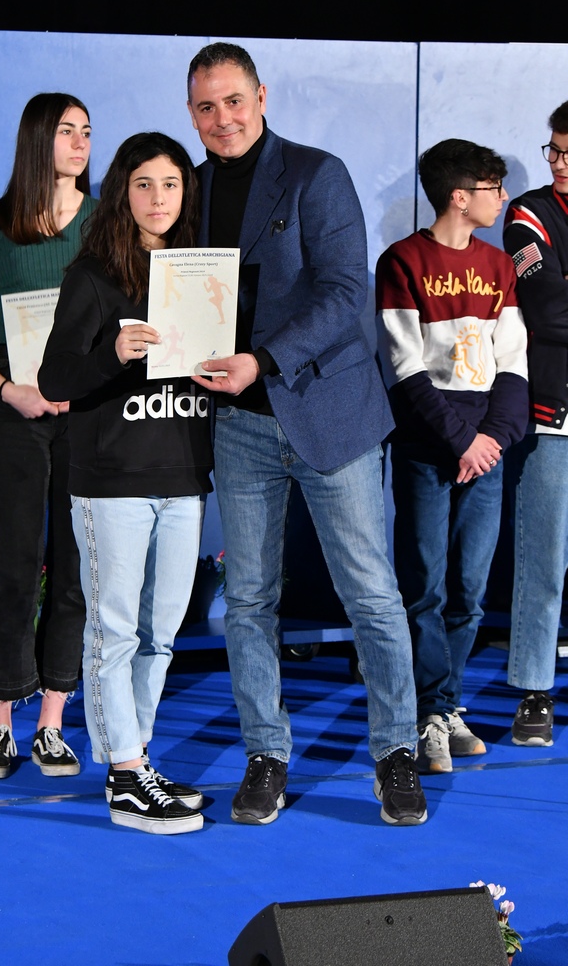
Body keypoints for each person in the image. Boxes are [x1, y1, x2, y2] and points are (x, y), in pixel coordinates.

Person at [186, 42, 426, 827]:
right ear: (191, 114)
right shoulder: (187, 189)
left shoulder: (317, 174)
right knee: (248, 600)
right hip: (240, 426)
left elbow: (346, 290)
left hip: (329, 413)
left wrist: (262, 360)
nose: (222, 118)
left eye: (233, 101)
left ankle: (396, 753)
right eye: (206, 107)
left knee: (371, 594)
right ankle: (266, 754)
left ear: (261, 97)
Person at [39, 133, 212, 834]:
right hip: (111, 478)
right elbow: (54, 378)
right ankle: (124, 774)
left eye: (170, 184)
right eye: (144, 184)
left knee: (161, 634)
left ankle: (135, 760)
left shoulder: (202, 271)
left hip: (182, 472)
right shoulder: (93, 276)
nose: (158, 198)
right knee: (114, 631)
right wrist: (111, 351)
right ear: (122, 192)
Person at [0, 93, 95, 778]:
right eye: (67, 131)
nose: (81, 142)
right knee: (16, 564)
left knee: (75, 567)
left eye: (87, 131)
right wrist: (11, 390)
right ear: (38, 139)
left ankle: (53, 722)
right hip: (15, 407)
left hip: (87, 412)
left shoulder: (103, 220)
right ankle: (1, 719)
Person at [375, 139, 528, 773]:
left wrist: (490, 441)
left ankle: (447, 706)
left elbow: (513, 362)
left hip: (485, 451)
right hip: (428, 447)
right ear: (460, 197)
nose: (504, 198)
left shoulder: (498, 265)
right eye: (494, 187)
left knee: (470, 589)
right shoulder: (402, 261)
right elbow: (404, 368)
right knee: (426, 587)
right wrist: (461, 440)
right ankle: (426, 713)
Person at [502, 99, 568, 746]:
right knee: (543, 559)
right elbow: (546, 308)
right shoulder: (527, 213)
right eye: (554, 150)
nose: (559, 163)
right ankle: (534, 690)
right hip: (553, 414)